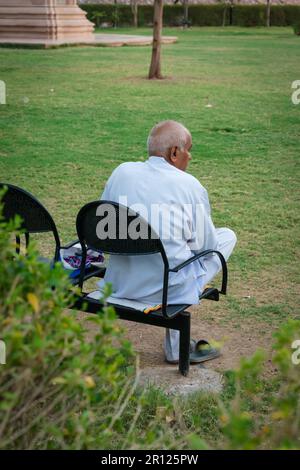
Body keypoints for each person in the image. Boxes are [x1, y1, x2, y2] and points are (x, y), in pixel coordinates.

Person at [99, 120, 237, 364]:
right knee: (225, 238)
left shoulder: (121, 171)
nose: (190, 157)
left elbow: (103, 228)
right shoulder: (189, 185)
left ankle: (175, 342)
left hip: (119, 283)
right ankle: (175, 346)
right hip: (165, 292)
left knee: (175, 250)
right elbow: (207, 247)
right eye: (189, 149)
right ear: (175, 152)